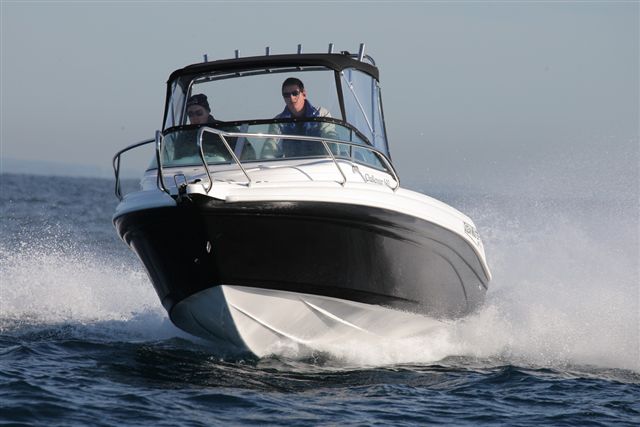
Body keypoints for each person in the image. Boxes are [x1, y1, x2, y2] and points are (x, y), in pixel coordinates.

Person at [261, 78, 337, 158]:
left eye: (295, 93)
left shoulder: (322, 114)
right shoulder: (278, 122)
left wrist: (333, 156)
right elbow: (271, 146)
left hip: (319, 163)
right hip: (291, 165)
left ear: (304, 94)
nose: (291, 97)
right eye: (286, 95)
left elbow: (330, 137)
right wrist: (265, 160)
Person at [176, 93, 255, 161]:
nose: (195, 117)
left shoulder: (226, 130)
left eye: (199, 113)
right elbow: (177, 161)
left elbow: (247, 153)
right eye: (190, 114)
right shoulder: (183, 137)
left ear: (207, 112)